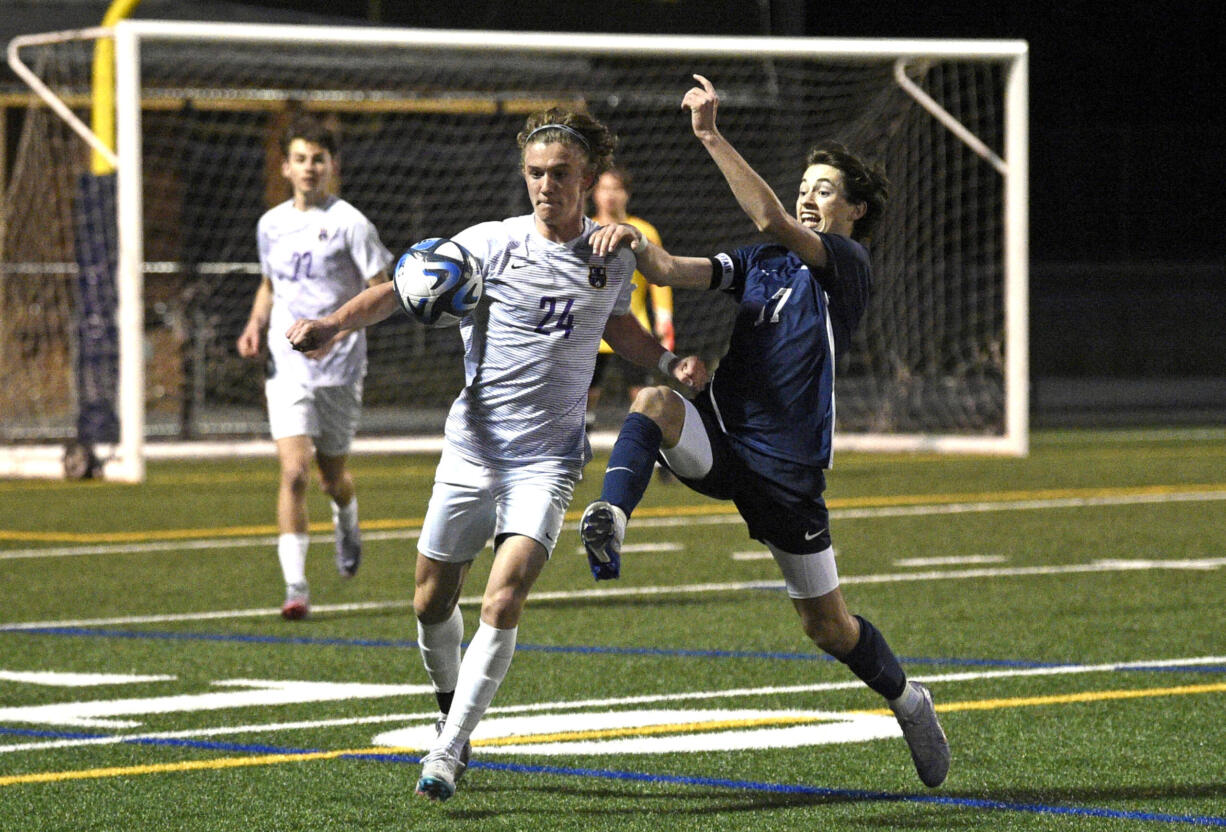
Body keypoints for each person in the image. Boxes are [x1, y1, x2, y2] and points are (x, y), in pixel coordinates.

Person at [284, 108, 707, 803]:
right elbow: (399, 288)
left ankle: (448, 750)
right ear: (524, 175)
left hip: (549, 458)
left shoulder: (612, 256)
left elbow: (619, 326)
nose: (546, 185)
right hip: (473, 449)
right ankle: (450, 704)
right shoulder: (489, 244)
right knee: (429, 601)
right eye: (536, 173)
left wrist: (666, 361)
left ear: (586, 178)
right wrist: (331, 324)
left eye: (561, 174)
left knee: (505, 594)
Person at [582, 75, 950, 789]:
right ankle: (611, 517)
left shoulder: (846, 265)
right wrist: (630, 243)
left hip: (787, 470)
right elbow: (670, 267)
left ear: (855, 209)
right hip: (722, 435)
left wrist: (711, 135)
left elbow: (770, 218)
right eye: (805, 184)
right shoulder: (763, 264)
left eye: (825, 189)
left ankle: (909, 700)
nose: (810, 197)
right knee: (656, 400)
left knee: (828, 629)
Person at [236, 115, 393, 621]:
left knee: (331, 477)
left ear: (332, 166)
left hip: (341, 368)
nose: (309, 168)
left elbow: (381, 289)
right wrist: (255, 323)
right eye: (300, 159)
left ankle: (347, 517)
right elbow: (269, 285)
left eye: (318, 159)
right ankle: (296, 587)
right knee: (294, 472)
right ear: (285, 166)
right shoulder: (271, 224)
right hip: (288, 367)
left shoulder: (351, 222)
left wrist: (336, 331)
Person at [587, 167, 675, 426]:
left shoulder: (642, 231)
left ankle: (655, 454)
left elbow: (659, 278)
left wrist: (663, 318)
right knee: (585, 397)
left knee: (643, 396)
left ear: (627, 194)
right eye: (604, 188)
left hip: (633, 328)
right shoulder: (585, 230)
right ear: (595, 194)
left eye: (617, 188)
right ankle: (576, 455)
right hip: (592, 331)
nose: (610, 195)